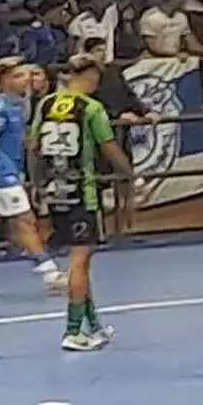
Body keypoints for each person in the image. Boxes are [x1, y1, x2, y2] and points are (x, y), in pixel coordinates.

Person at [29, 55, 134, 351]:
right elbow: (109, 147)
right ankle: (74, 330)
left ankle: (93, 325)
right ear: (86, 75)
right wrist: (130, 175)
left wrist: (37, 183)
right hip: (83, 192)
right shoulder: (91, 108)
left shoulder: (46, 104)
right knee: (79, 261)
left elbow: (33, 146)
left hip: (55, 188)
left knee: (80, 261)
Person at [0, 57, 66, 296]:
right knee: (24, 221)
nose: (25, 80)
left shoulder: (17, 105)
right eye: (18, 76)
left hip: (7, 170)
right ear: (3, 82)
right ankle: (51, 274)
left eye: (25, 75)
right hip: (0, 174)